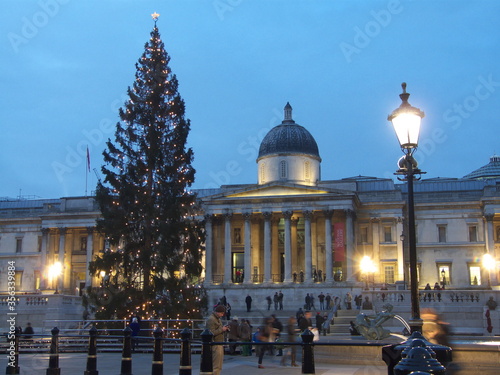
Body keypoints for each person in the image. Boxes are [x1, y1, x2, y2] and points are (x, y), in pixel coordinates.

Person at [206, 305, 230, 375]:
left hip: (219, 343)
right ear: (218, 312)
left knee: (219, 365)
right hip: (215, 343)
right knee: (216, 365)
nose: (222, 315)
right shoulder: (212, 319)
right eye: (222, 313)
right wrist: (222, 329)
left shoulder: (218, 319)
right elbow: (211, 332)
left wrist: (224, 329)